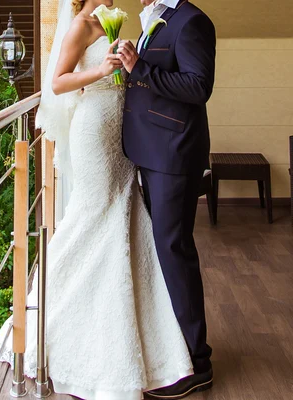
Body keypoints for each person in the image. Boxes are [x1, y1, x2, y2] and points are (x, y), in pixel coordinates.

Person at [0, 0, 194, 398]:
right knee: (91, 216)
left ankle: (123, 327)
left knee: (122, 217)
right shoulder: (82, 26)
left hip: (121, 132)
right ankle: (45, 322)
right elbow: (58, 82)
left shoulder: (112, 20)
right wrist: (102, 69)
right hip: (93, 131)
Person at [118, 0, 215, 397]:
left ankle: (198, 361)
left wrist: (139, 68)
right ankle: (174, 351)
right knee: (164, 251)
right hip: (153, 151)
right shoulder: (158, 18)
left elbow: (198, 86)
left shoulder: (192, 21)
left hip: (174, 155)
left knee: (174, 250)